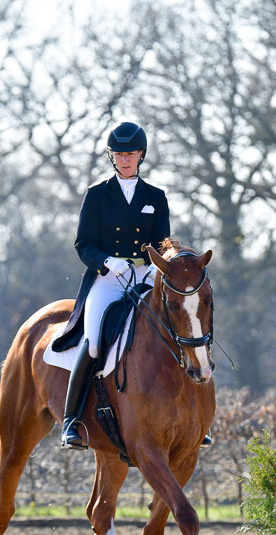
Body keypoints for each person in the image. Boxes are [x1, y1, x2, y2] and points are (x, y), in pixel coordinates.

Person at [53, 121, 170, 449]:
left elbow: (162, 244)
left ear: (141, 155)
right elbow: (83, 244)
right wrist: (108, 262)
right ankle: (71, 421)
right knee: (92, 343)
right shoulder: (96, 195)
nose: (125, 159)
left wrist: (149, 267)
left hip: (144, 279)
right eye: (118, 154)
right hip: (106, 281)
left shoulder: (155, 197)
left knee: (173, 329)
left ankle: (190, 415)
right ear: (112, 157)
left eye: (130, 153)